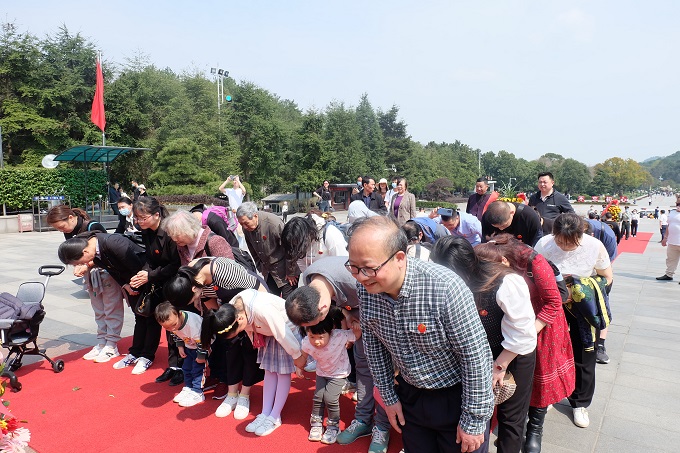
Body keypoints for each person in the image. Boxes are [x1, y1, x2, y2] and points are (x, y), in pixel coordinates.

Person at [346, 216, 494, 453]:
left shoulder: (444, 287)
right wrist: (388, 397)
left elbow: (475, 356)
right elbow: (374, 344)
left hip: (457, 397)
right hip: (411, 396)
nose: (361, 277)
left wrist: (474, 419)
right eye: (353, 267)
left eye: (368, 268)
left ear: (399, 258)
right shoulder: (367, 289)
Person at [431, 236, 537, 453]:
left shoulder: (505, 282)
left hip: (512, 352)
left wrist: (499, 365)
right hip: (475, 354)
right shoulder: (442, 282)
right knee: (476, 410)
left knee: (510, 417)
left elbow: (523, 333)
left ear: (466, 267)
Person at [474, 235, 576, 453]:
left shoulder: (528, 266)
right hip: (509, 331)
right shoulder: (491, 271)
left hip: (539, 324)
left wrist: (527, 333)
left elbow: (553, 302)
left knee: (535, 387)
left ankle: (535, 430)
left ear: (504, 261)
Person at [285, 256, 393, 453]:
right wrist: (348, 314)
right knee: (363, 368)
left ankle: (382, 427)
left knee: (383, 373)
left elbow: (387, 299)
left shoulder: (353, 278)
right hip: (359, 320)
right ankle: (363, 420)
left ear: (323, 309)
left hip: (383, 320)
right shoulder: (311, 280)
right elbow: (340, 301)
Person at [534, 213, 613, 429]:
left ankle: (580, 403)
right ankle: (550, 394)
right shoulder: (544, 244)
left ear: (581, 234)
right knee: (549, 352)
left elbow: (607, 278)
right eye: (561, 241)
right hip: (552, 304)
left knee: (585, 353)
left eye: (571, 242)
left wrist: (579, 288)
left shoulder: (594, 246)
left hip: (582, 307)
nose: (565, 246)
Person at [164, 257, 268, 419]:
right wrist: (222, 322)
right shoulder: (190, 276)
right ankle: (232, 393)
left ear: (194, 289)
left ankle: (244, 395)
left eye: (192, 300)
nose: (195, 302)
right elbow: (209, 301)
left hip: (253, 307)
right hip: (228, 310)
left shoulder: (222, 271)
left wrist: (255, 323)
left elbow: (258, 290)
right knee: (230, 349)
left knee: (248, 351)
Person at [201, 288, 303, 437]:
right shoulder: (232, 310)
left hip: (286, 331)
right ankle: (265, 412)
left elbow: (282, 332)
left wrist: (296, 355)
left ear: (240, 319)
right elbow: (250, 328)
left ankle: (275, 416)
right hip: (266, 333)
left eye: (238, 331)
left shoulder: (262, 309)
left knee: (282, 373)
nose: (240, 333)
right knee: (269, 371)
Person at [114, 197, 182, 379]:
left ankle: (178, 366)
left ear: (157, 215)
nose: (139, 222)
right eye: (137, 218)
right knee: (148, 316)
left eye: (143, 218)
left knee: (173, 323)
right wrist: (143, 274)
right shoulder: (147, 231)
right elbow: (150, 259)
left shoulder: (170, 231)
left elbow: (176, 264)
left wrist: (150, 275)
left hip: (175, 282)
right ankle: (142, 354)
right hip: (157, 280)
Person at [56, 231, 145, 364]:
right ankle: (105, 343)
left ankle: (119, 347)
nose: (83, 264)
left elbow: (135, 266)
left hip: (139, 280)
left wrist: (133, 285)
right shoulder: (94, 252)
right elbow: (114, 270)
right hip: (125, 281)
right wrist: (124, 284)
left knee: (119, 311)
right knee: (102, 311)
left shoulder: (112, 242)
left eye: (79, 263)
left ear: (85, 252)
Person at [46, 206, 113, 361]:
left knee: (110, 309)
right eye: (57, 229)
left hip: (105, 272)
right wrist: (78, 265)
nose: (61, 230)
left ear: (70, 217)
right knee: (99, 310)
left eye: (61, 226)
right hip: (91, 274)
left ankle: (111, 344)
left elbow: (104, 252)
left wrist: (86, 265)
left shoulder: (93, 226)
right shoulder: (69, 231)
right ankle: (102, 342)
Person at [299, 307, 361, 444]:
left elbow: (355, 336)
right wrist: (299, 367)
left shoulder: (338, 336)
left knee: (330, 398)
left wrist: (356, 327)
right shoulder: (307, 341)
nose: (316, 341)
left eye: (321, 337)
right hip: (322, 373)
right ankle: (316, 423)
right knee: (318, 397)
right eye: (312, 336)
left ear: (330, 332)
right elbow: (303, 353)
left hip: (339, 373)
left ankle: (333, 426)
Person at [236, 202, 300, 298]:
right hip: (269, 271)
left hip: (286, 269)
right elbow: (253, 250)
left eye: (246, 223)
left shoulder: (273, 224)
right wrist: (260, 268)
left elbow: (290, 248)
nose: (244, 227)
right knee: (269, 300)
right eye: (241, 224)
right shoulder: (247, 229)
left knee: (289, 302)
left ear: (255, 216)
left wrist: (291, 272)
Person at [155, 302, 208, 407]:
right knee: (186, 368)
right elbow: (176, 334)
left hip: (202, 347)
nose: (172, 329)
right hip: (189, 346)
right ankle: (188, 387)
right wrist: (180, 346)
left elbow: (203, 341)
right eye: (167, 328)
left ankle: (198, 392)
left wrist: (201, 356)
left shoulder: (192, 324)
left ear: (179, 314)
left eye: (174, 325)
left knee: (198, 370)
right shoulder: (173, 323)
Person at [163, 210, 233, 267]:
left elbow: (230, 270)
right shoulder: (182, 245)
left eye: (177, 235)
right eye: (171, 235)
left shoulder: (215, 242)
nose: (174, 239)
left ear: (190, 229)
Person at [281, 214, 348, 273]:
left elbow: (342, 265)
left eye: (297, 244)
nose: (297, 248)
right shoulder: (297, 241)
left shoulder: (331, 234)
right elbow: (300, 261)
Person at [657, 198, 680, 281]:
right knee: (671, 259)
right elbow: (668, 225)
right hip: (672, 241)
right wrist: (665, 237)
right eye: (677, 203)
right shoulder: (672, 212)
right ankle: (669, 274)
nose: (678, 205)